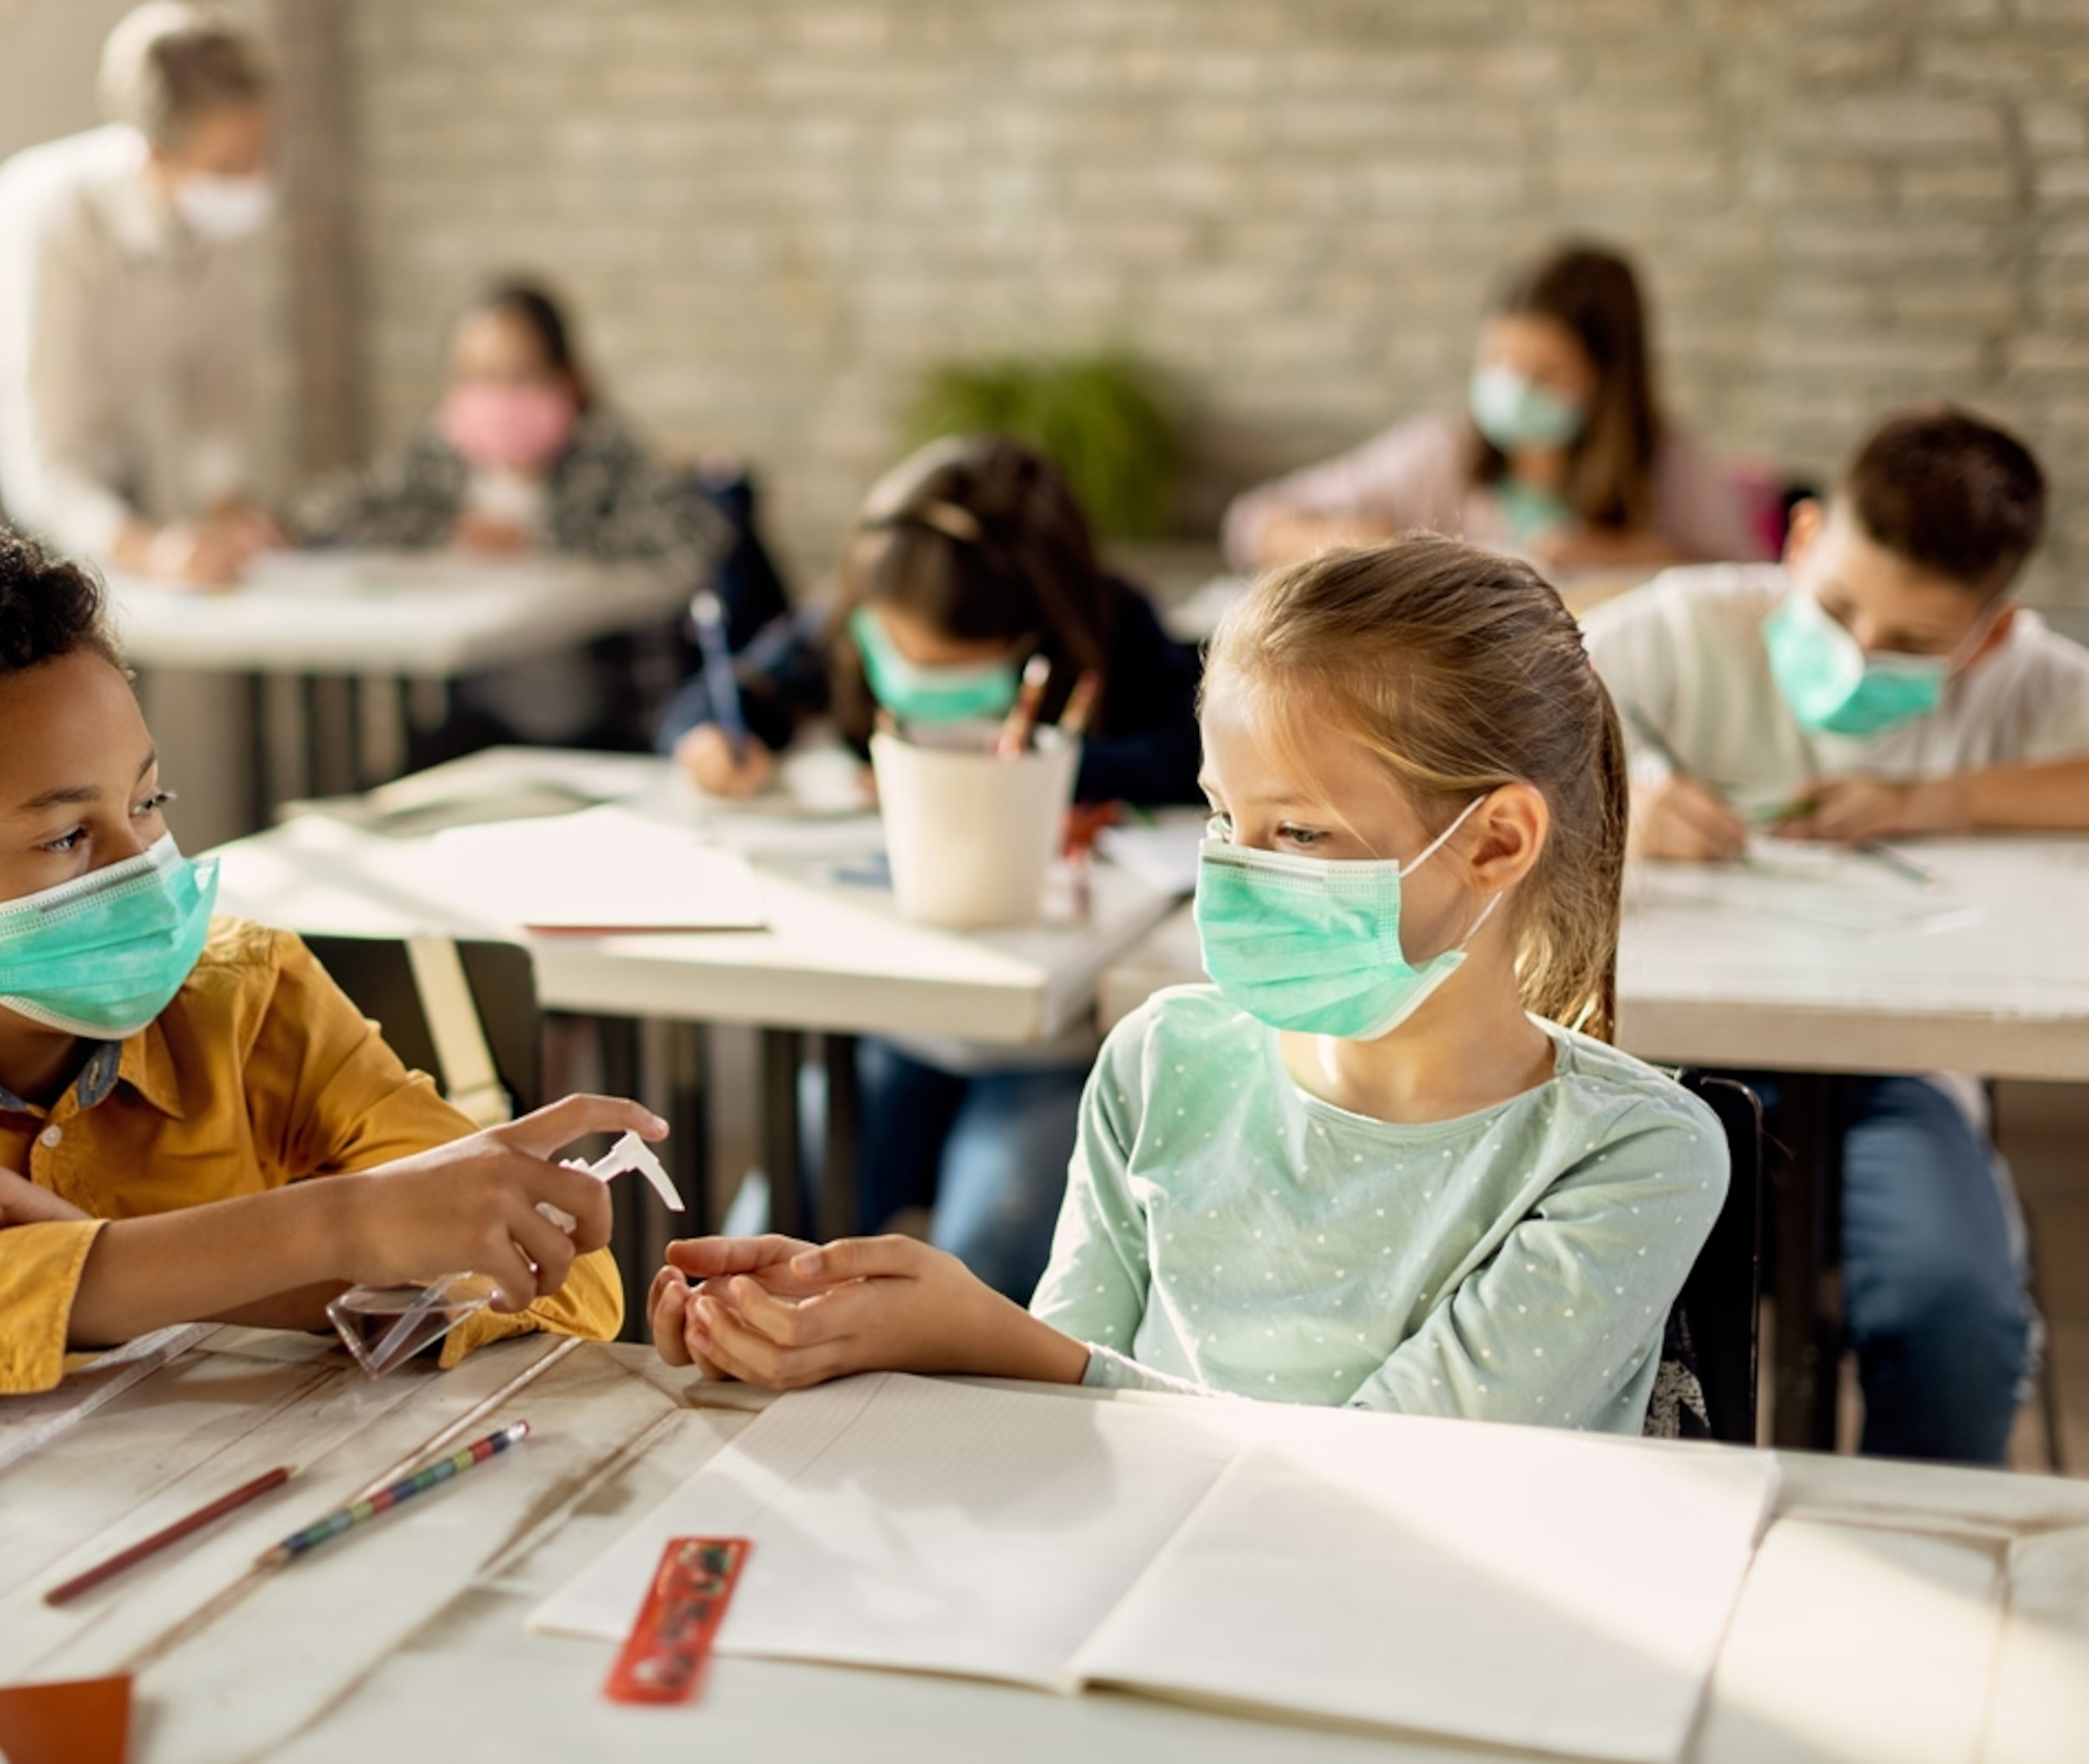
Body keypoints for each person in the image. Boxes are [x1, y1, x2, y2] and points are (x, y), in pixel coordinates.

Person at [650, 535, 1729, 1434]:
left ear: (1495, 841)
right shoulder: (1163, 1056)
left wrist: (989, 1337)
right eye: (1226, 817)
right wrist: (852, 1339)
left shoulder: (1631, 1152)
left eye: (1298, 830)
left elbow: (1398, 1486)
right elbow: (1059, 1434)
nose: (1237, 869)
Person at [0, 516, 650, 1430]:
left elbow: (568, 1285)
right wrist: (341, 1229)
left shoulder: (251, 997)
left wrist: (93, 1267)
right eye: (68, 836)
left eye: (148, 801)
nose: (149, 867)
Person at [1589, 405, 2085, 1463]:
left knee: (1958, 1317)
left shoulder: (2026, 681)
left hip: (1893, 1076)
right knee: (1605, 1301)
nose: (1860, 656)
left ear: (1991, 636)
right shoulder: (1685, 627)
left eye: (1911, 645)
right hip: (1647, 1064)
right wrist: (1629, 792)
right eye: (1838, 607)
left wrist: (1935, 800)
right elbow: (1508, 715)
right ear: (1801, 541)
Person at [657, 435, 1205, 1302]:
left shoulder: (1113, 630)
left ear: (1037, 638)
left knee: (981, 1255)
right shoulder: (852, 617)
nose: (917, 679)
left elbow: (1196, 751)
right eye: (901, 654)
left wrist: (1058, 772)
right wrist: (713, 739)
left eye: (954, 669)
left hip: (1053, 1043)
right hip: (897, 1032)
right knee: (758, 1252)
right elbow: (720, 696)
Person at [0, 2, 286, 587]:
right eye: (227, 164)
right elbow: (42, 459)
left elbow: (215, 389)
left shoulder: (212, 221)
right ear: (156, 153)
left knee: (122, 641)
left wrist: (225, 503)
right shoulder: (51, 218)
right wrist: (150, 550)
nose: (250, 180)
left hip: (87, 457)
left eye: (258, 154)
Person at [292, 280, 729, 748]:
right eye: (477, 376)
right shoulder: (445, 459)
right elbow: (326, 509)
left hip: (607, 724)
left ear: (567, 378)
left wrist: (537, 534)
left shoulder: (602, 453)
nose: (498, 397)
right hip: (483, 721)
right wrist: (449, 530)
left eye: (520, 375)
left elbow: (697, 536)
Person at [1224, 242, 1769, 575]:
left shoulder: (1669, 465)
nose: (1513, 386)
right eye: (1498, 360)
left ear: (1608, 380)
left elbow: (1753, 588)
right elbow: (1251, 523)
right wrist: (1353, 546)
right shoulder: (1439, 454)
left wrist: (1632, 555)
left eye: (1546, 371)